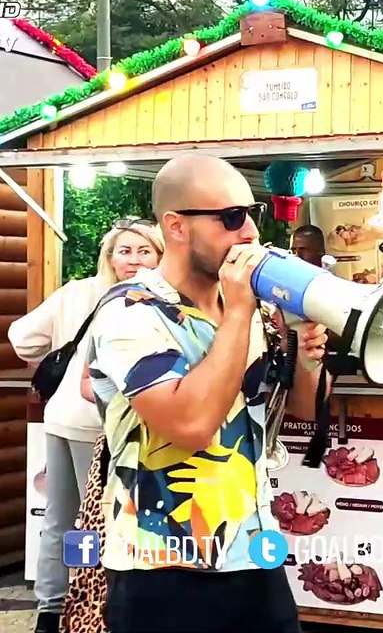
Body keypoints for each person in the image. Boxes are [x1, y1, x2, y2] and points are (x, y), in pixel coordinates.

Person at [85, 154, 328, 633]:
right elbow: (190, 426)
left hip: (254, 550)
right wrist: (239, 314)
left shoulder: (246, 310)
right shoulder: (131, 312)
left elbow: (297, 410)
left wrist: (304, 350)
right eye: (231, 218)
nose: (249, 235)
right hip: (162, 565)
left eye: (252, 216)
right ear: (176, 227)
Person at [10, 218, 162, 633]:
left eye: (143, 250)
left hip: (60, 418)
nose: (133, 260)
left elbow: (23, 339)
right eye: (125, 251)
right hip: (99, 426)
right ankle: (89, 607)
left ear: (159, 254)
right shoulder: (149, 299)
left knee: (61, 520)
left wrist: (57, 346)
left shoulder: (77, 292)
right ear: (109, 256)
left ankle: (50, 611)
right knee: (100, 523)